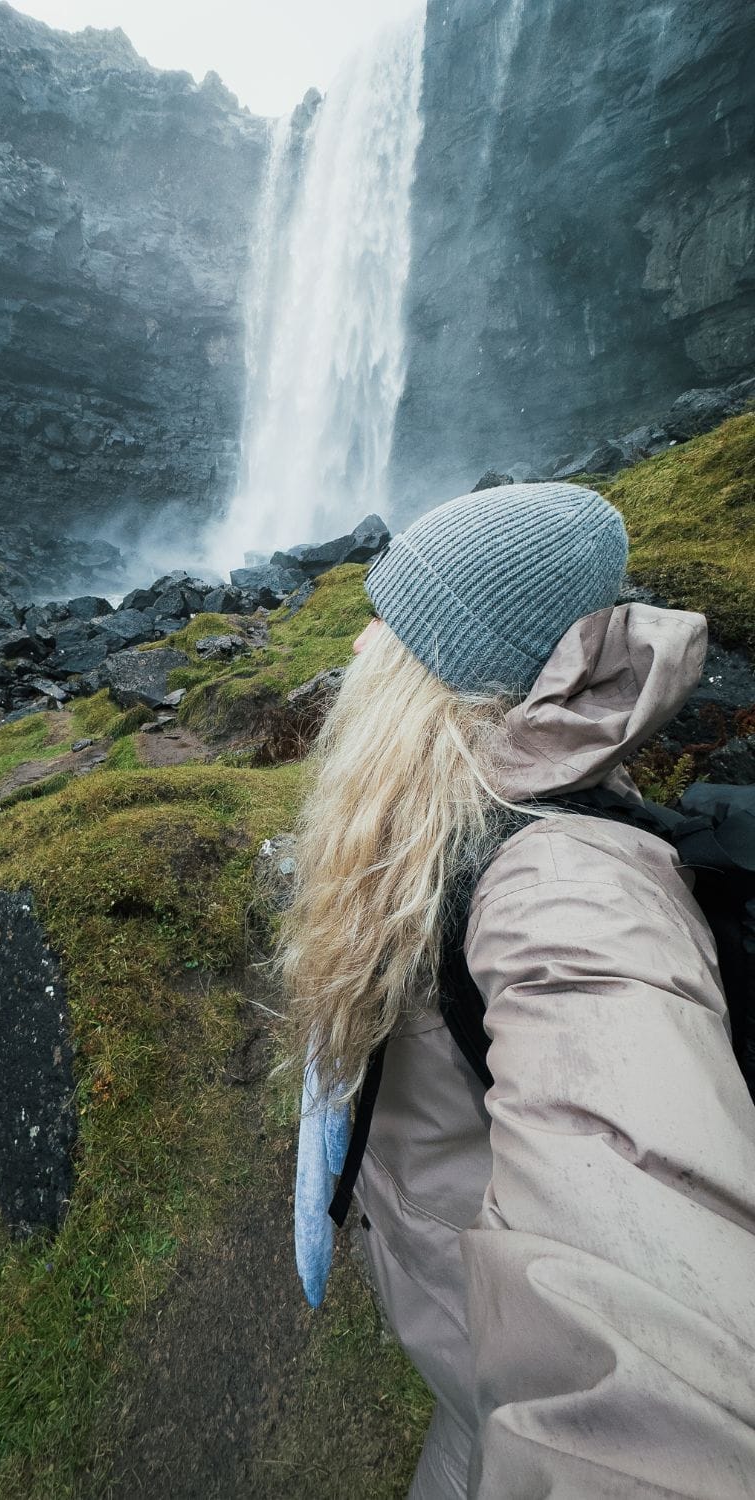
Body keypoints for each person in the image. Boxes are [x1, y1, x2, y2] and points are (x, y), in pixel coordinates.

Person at [280, 482, 755, 1499]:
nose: (359, 650)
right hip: (472, 1374)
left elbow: (644, 1326)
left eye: (390, 628)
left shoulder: (566, 888)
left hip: (511, 1394)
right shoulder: (448, 819)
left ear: (456, 676)